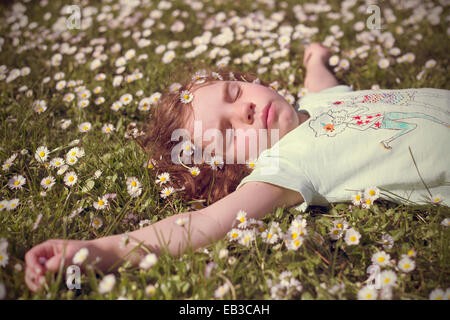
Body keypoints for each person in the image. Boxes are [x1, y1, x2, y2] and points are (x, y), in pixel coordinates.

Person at [24, 43, 450, 292]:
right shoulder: (283, 166)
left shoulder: (314, 103)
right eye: (228, 132)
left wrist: (315, 58)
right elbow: (201, 223)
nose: (244, 109)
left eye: (233, 91)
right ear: (235, 170)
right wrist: (102, 250)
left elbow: (321, 84)